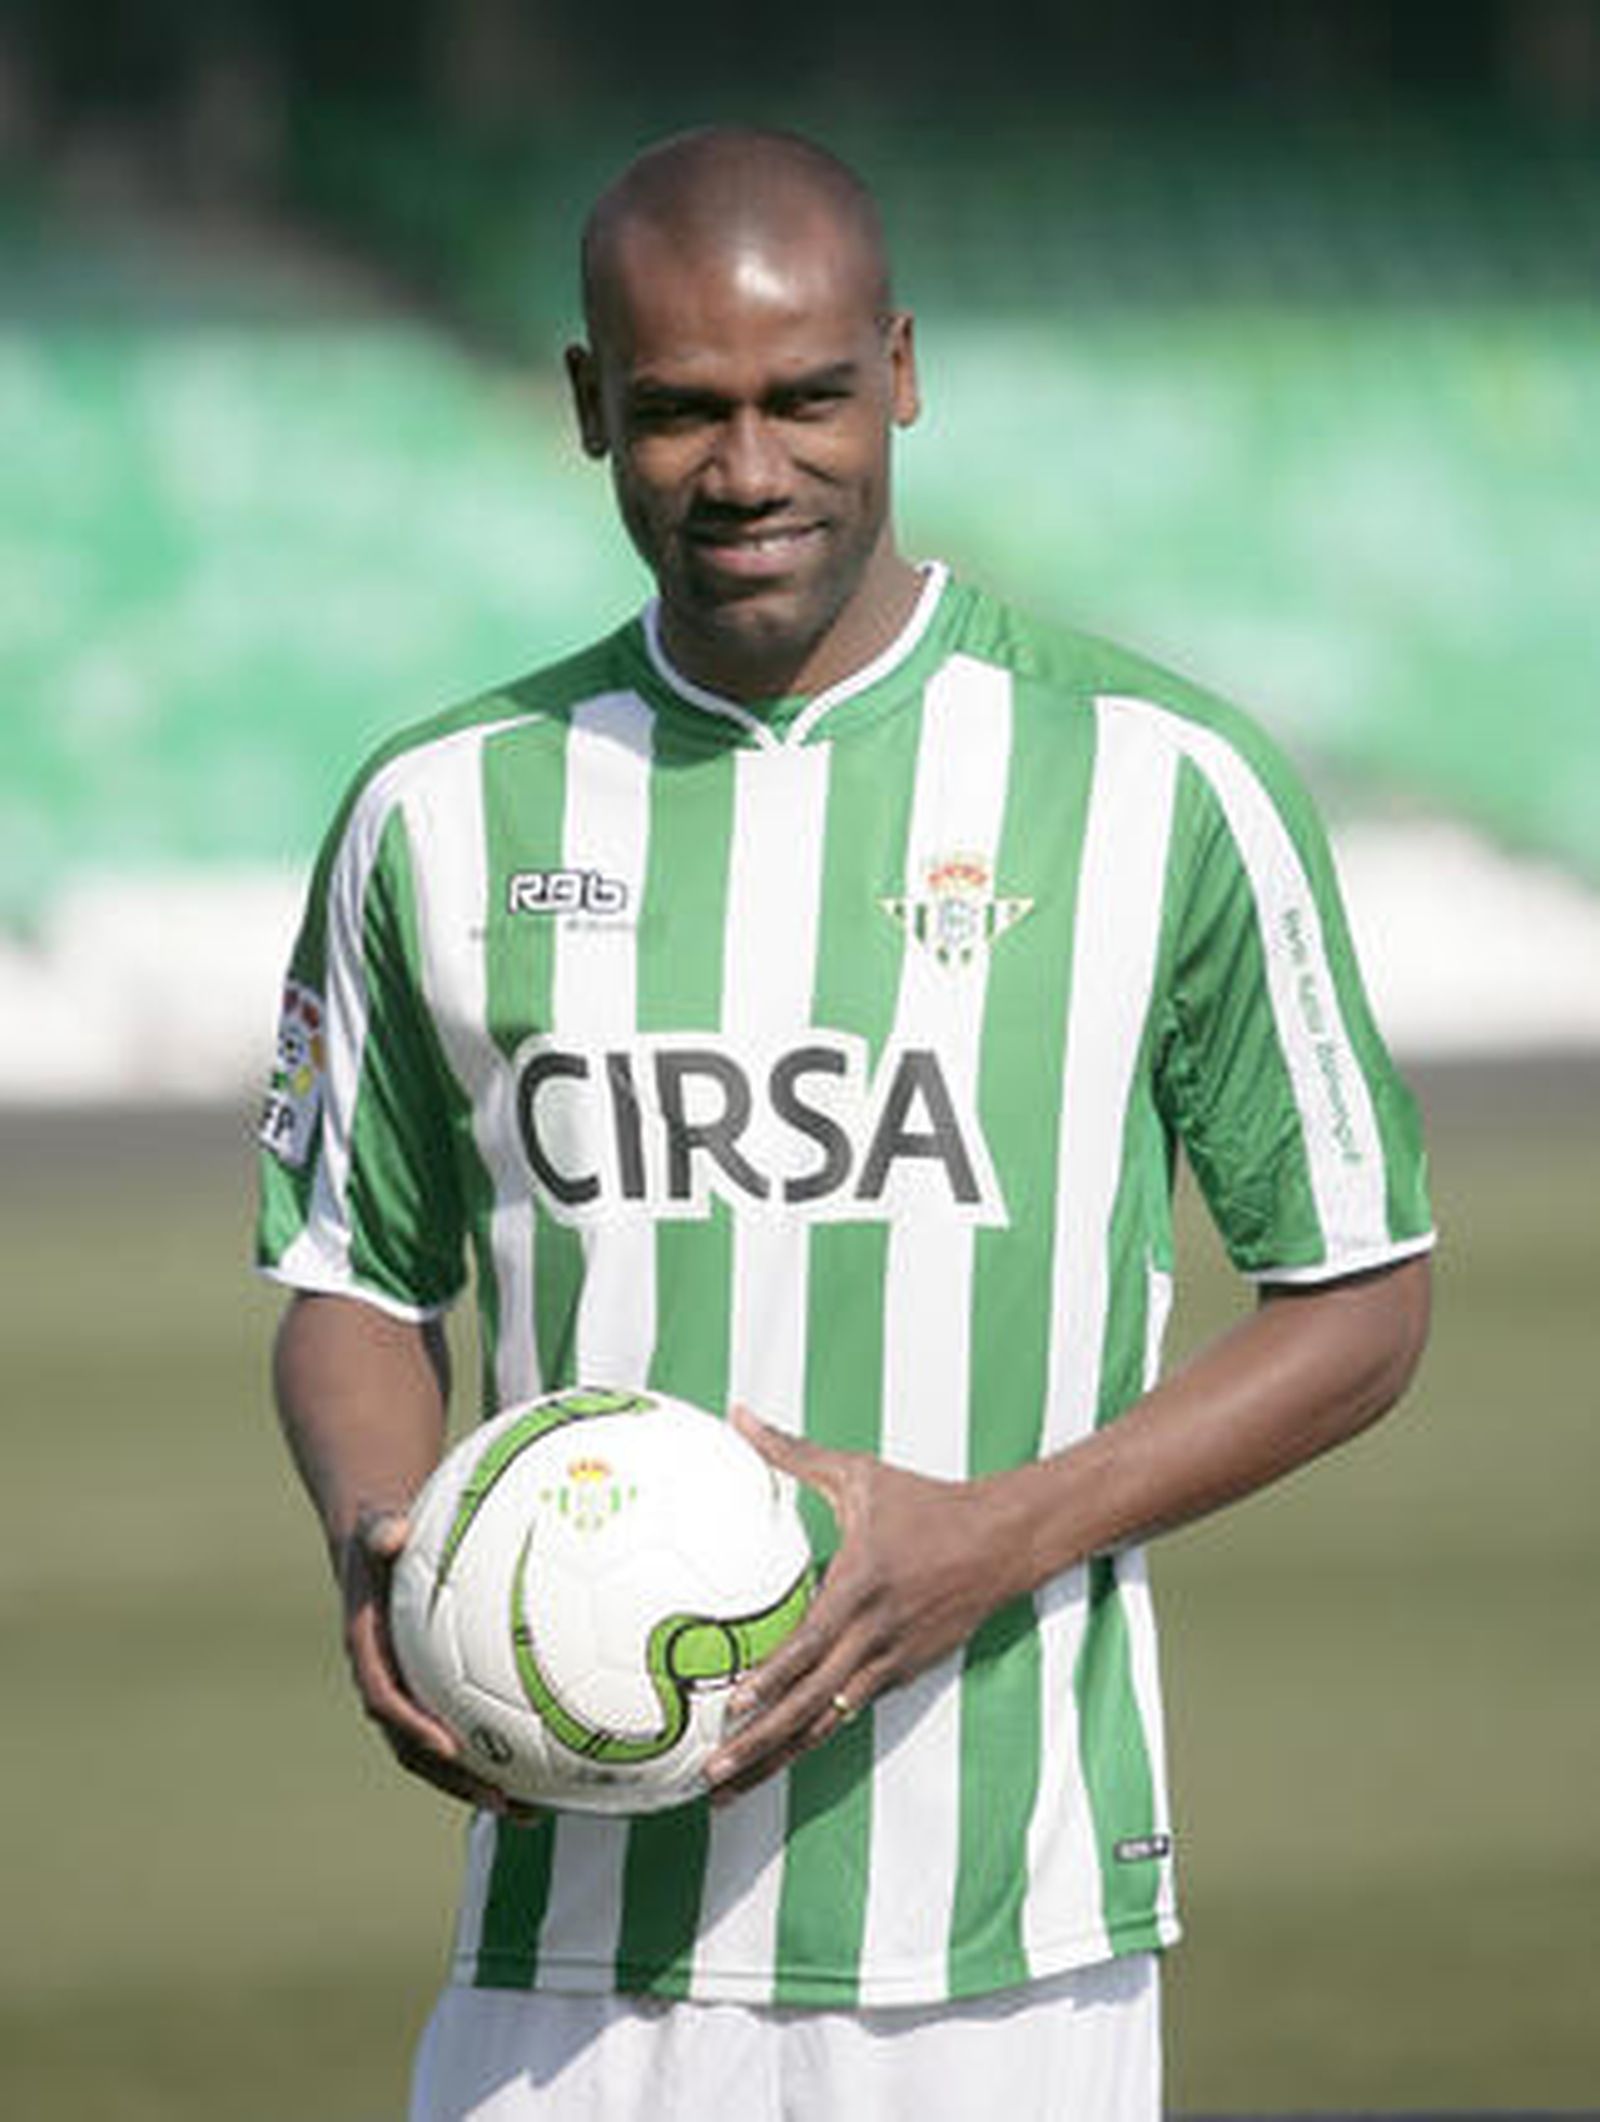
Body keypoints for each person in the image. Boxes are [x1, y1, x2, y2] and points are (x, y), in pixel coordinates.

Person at [257, 123, 1434, 2122]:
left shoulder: (1161, 781)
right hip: (565, 1936)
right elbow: (347, 1278)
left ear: (896, 368)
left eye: (804, 394)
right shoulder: (436, 810)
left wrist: (990, 1538)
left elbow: (1359, 1293)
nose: (744, 469)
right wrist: (386, 1538)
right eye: (675, 410)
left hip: (1002, 1939)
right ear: (581, 407)